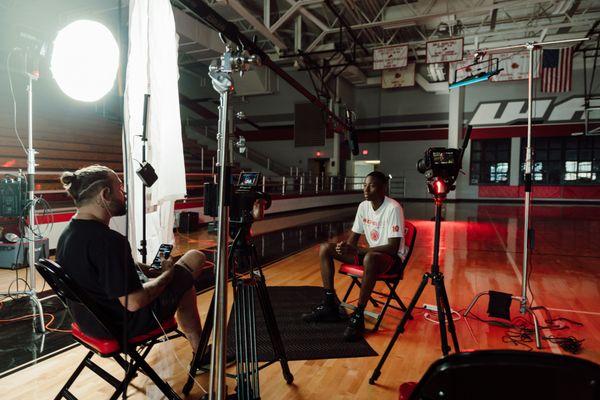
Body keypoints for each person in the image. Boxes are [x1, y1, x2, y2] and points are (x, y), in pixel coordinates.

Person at [56, 165, 205, 352]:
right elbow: (134, 303)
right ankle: (200, 351)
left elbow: (100, 271)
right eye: (119, 188)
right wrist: (166, 275)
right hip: (122, 326)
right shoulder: (109, 241)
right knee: (194, 258)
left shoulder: (67, 234)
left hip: (89, 323)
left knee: (182, 283)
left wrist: (147, 270)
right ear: (105, 194)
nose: (124, 193)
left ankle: (200, 350)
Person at [302, 171, 406, 341]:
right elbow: (353, 241)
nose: (365, 189)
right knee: (325, 248)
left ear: (383, 188)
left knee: (370, 258)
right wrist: (345, 247)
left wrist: (359, 251)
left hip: (390, 260)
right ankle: (330, 305)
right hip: (369, 255)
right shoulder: (363, 206)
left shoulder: (393, 208)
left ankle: (358, 315)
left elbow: (393, 248)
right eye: (364, 185)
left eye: (371, 185)